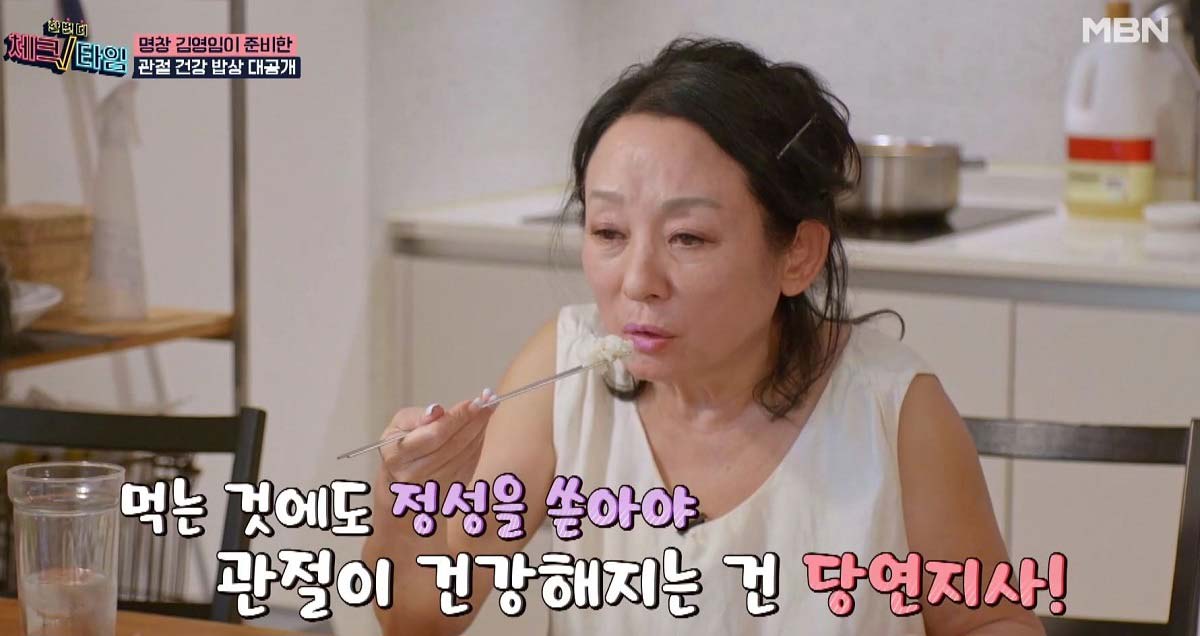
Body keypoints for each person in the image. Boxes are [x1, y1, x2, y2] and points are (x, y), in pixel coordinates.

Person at [366, 37, 1046, 636]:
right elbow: (418, 618)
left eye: (688, 237)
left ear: (797, 256)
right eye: (608, 232)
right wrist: (406, 491)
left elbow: (990, 619)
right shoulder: (561, 374)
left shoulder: (893, 410)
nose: (639, 281)